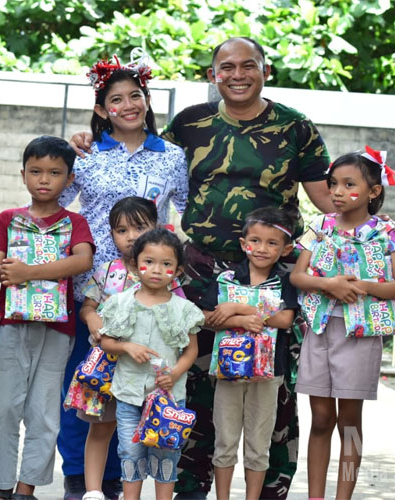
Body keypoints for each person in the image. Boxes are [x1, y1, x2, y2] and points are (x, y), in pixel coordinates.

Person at [72, 37, 334, 498]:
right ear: (213, 75)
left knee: (271, 383)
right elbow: (140, 146)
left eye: (248, 65)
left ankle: (268, 487)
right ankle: (190, 483)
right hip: (199, 273)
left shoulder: (296, 127)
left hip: (271, 277)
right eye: (226, 67)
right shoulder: (191, 124)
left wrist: (364, 236)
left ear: (265, 71)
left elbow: (330, 204)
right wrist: (93, 137)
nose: (237, 75)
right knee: (191, 379)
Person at [58, 54, 188, 500]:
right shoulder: (85, 154)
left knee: (138, 385)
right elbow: (54, 199)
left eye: (136, 96)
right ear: (101, 109)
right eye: (116, 99)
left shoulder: (172, 157)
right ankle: (82, 478)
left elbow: (187, 214)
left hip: (151, 289)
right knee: (88, 383)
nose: (128, 105)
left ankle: (121, 478)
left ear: (147, 100)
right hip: (96, 290)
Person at [290, 148, 395, 498]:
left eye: (348, 184)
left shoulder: (386, 233)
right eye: (333, 184)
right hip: (320, 330)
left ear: (373, 191)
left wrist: (366, 287)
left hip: (361, 336)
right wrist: (329, 284)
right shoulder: (319, 226)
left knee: (349, 423)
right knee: (320, 419)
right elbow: (298, 276)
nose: (338, 192)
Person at [0, 136, 95, 500]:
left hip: (58, 329)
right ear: (23, 175)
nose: (44, 180)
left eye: (54, 173)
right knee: (4, 408)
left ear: (70, 179)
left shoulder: (74, 222)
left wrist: (28, 272)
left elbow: (83, 261)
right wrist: (9, 271)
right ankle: (2, 486)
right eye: (35, 171)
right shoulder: (8, 219)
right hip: (12, 325)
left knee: (44, 411)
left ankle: (25, 488)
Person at [71, 197, 183, 500]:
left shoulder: (165, 274)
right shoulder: (107, 271)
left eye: (139, 227)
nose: (131, 236)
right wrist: (91, 317)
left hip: (147, 367)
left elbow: (180, 314)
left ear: (156, 227)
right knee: (100, 428)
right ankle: (93, 491)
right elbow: (88, 306)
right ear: (111, 235)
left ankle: (136, 491)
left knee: (148, 430)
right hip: (107, 365)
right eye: (121, 230)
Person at [195, 207, 298, 500]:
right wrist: (239, 320)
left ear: (285, 248)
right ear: (243, 243)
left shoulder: (284, 281)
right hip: (228, 372)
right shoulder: (227, 279)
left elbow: (285, 319)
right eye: (255, 241)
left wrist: (239, 308)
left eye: (272, 243)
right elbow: (205, 317)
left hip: (268, 374)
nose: (262, 248)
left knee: (258, 445)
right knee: (225, 441)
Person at [98, 228, 204, 500]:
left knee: (166, 453)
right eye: (149, 261)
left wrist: (175, 373)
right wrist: (126, 346)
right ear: (135, 265)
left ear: (177, 270)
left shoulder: (184, 309)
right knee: (130, 452)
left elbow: (191, 350)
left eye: (166, 264)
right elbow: (106, 342)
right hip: (129, 394)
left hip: (169, 398)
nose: (157, 270)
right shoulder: (120, 303)